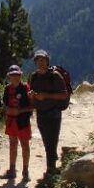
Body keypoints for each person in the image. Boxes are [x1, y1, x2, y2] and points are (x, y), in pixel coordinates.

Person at [28, 49, 69, 179]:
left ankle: (50, 170)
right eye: (38, 60)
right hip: (40, 113)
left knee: (51, 141)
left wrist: (45, 96)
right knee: (47, 141)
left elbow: (64, 95)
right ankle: (53, 164)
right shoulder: (34, 77)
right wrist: (32, 97)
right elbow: (31, 94)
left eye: (43, 60)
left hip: (53, 112)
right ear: (35, 62)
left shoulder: (55, 75)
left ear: (47, 61)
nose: (40, 62)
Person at [0, 64, 33, 181]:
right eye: (13, 75)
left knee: (25, 145)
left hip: (23, 121)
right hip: (11, 121)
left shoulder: (26, 88)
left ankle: (25, 171)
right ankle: (12, 170)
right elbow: (4, 104)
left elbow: (32, 106)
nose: (15, 77)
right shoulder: (7, 89)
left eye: (17, 75)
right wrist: (7, 109)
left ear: (20, 75)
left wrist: (19, 111)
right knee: (13, 144)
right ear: (9, 76)